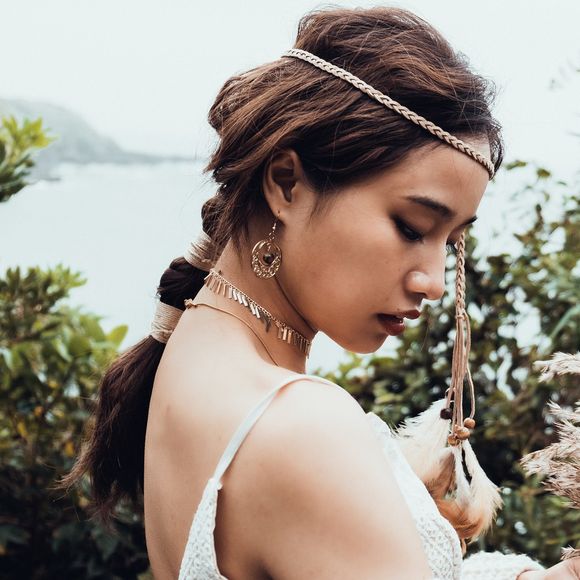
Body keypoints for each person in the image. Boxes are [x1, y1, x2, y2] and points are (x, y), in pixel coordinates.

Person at [59, 6, 580, 580]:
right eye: (412, 227)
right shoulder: (302, 428)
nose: (433, 282)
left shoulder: (191, 352)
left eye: (451, 242)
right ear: (286, 183)